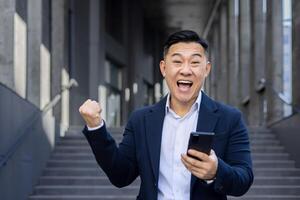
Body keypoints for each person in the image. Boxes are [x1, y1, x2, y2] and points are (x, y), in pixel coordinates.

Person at [79, 30, 253, 200]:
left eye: (194, 62)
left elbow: (244, 178)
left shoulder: (229, 118)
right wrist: (96, 127)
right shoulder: (141, 120)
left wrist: (216, 171)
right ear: (163, 68)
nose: (186, 70)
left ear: (206, 69)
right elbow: (120, 175)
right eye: (177, 61)